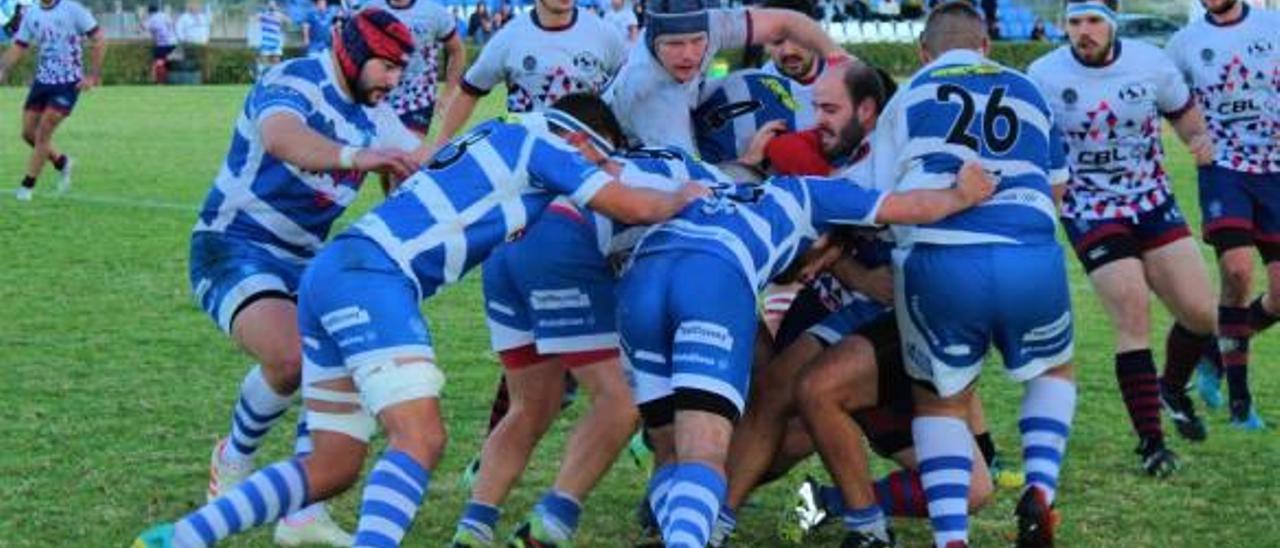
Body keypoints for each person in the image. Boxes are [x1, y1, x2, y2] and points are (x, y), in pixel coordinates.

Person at [135, 93, 707, 548]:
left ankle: (179, 537)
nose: (604, 169)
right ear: (584, 139)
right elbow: (635, 206)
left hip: (335, 270)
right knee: (422, 436)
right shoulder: (547, 144)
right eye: (603, 157)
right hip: (373, 276)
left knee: (332, 465)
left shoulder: (496, 132)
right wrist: (686, 193)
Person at [621, 143, 995, 548]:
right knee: (719, 443)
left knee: (677, 444)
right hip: (720, 287)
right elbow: (908, 207)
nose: (809, 272)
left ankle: (710, 514)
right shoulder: (806, 194)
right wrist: (961, 195)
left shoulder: (705, 192)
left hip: (639, 284)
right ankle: (709, 524)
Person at [178, 10, 430, 547]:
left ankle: (302, 514)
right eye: (385, 68)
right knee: (292, 357)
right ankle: (233, 459)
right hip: (233, 246)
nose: (392, 82)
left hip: (309, 264)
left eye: (399, 71)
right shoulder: (296, 80)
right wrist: (358, 157)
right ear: (353, 56)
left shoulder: (376, 114)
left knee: (345, 357)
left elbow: (414, 171)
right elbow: (282, 137)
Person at [452, 145, 730, 547]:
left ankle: (473, 528)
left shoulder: (649, 159)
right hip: (560, 241)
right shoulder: (716, 190)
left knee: (530, 405)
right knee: (621, 399)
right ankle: (553, 520)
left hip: (509, 243)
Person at [869, 3, 1075, 546]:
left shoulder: (909, 93)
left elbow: (879, 195)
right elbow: (1057, 186)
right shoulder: (1028, 89)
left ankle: (952, 538)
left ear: (923, 51)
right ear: (986, 45)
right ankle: (1041, 490)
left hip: (941, 256)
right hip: (1028, 250)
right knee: (1053, 372)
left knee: (940, 402)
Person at [1028, 0, 1220, 477]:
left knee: (1202, 315)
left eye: (1094, 21)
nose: (1084, 32)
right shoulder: (1042, 74)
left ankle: (1172, 388)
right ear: (1064, 26)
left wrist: (1200, 145)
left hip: (1152, 203)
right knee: (1133, 311)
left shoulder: (1151, 63)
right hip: (1090, 210)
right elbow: (1029, 145)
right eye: (1075, 23)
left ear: (1113, 24)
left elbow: (1187, 120)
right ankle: (1152, 443)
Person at [1166, 0, 1278, 430]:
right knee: (1237, 271)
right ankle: (1240, 402)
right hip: (1224, 170)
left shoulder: (1273, 26)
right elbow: (1166, 97)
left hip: (1275, 171)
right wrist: (1191, 137)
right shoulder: (1184, 43)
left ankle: (1214, 352)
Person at [604, 0, 850, 154]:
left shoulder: (715, 24)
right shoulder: (649, 92)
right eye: (674, 44)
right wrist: (748, 163)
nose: (689, 55)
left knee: (754, 82)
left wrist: (842, 61)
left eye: (697, 41)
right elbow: (695, 190)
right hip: (633, 148)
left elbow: (786, 20)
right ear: (652, 41)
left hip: (686, 104)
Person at [436, 0, 627, 144]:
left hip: (588, 161)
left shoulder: (605, 34)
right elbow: (470, 91)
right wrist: (440, 144)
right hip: (526, 163)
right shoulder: (509, 37)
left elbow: (628, 87)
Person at [0, 0, 105, 201]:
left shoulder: (73, 9)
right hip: (42, 81)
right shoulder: (32, 13)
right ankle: (63, 163)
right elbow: (19, 45)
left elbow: (99, 39)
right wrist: (3, 68)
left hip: (68, 83)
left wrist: (92, 75)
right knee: (28, 133)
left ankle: (26, 187)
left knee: (43, 131)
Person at [365, 0, 466, 137]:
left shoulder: (434, 12)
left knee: (405, 155)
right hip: (378, 99)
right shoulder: (370, 10)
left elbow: (457, 51)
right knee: (378, 153)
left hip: (418, 100)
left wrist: (448, 94)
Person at [143, 4, 177, 84]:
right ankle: (167, 80)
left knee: (159, 62)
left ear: (149, 12)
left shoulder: (152, 18)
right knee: (167, 62)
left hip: (162, 45)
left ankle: (160, 81)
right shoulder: (165, 15)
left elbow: (142, 28)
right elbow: (172, 24)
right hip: (173, 43)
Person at [256, 0, 286, 78]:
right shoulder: (263, 15)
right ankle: (261, 78)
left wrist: (280, 17)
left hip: (276, 42)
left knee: (277, 62)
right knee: (264, 61)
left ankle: (275, 79)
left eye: (273, 4)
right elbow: (257, 17)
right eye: (270, 4)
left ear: (276, 6)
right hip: (266, 42)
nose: (272, 6)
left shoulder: (279, 15)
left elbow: (286, 21)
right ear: (267, 5)